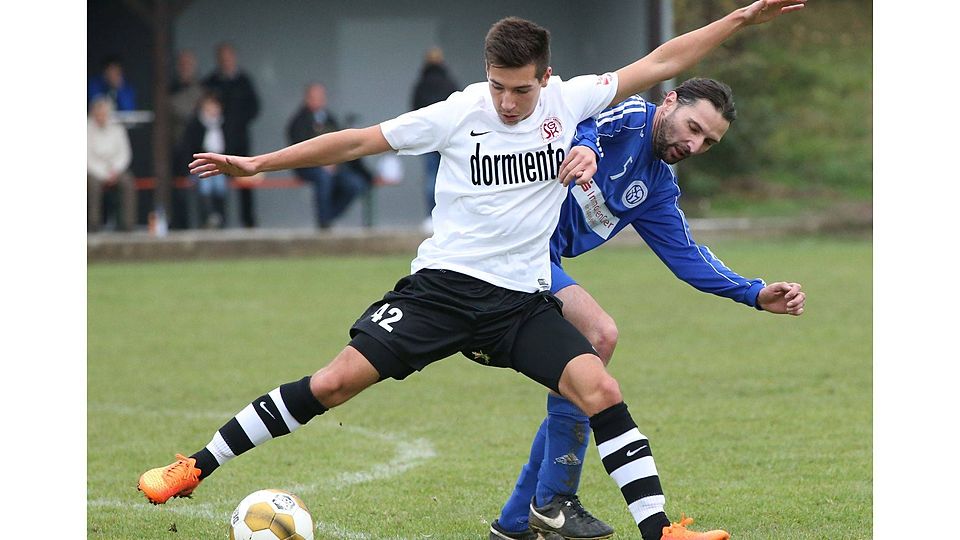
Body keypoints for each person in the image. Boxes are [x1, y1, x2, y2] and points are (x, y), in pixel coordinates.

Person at [138, 3, 805, 540]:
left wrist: (741, 17)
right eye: (498, 86)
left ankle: (658, 532)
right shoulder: (460, 112)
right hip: (444, 290)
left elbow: (665, 60)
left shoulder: (571, 103)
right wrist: (259, 164)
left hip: (521, 301)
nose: (508, 103)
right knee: (335, 383)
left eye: (521, 89)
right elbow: (358, 141)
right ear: (486, 75)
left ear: (545, 79)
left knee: (599, 385)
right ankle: (195, 466)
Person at [490, 79, 807, 540]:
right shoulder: (633, 117)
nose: (694, 145)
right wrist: (585, 148)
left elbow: (686, 254)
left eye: (707, 142)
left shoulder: (657, 184)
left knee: (584, 374)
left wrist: (754, 293)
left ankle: (522, 517)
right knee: (599, 337)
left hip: (538, 260)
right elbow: (585, 117)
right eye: (693, 127)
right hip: (506, 246)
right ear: (671, 102)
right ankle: (553, 501)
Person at [286, 83, 370, 229]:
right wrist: (321, 163)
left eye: (321, 97)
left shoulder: (330, 118)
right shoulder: (298, 121)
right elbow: (299, 149)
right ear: (307, 98)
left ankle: (329, 216)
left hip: (334, 165)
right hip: (309, 166)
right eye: (315, 97)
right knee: (323, 179)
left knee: (355, 183)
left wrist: (335, 162)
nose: (319, 100)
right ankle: (323, 224)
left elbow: (340, 143)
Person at [203, 42, 260, 228]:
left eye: (229, 57)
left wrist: (239, 121)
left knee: (247, 177)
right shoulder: (211, 82)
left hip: (241, 139)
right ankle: (220, 221)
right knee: (218, 180)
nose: (226, 61)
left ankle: (248, 221)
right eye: (223, 57)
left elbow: (255, 107)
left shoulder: (244, 81)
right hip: (220, 141)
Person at [410, 46, 460, 233]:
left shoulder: (420, 85)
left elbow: (415, 112)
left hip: (429, 139)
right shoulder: (450, 83)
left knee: (431, 177)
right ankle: (449, 216)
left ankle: (430, 217)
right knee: (452, 177)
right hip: (450, 139)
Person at [179, 92, 230, 228]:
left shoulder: (225, 124)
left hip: (222, 166)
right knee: (206, 184)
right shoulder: (195, 125)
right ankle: (208, 217)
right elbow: (187, 149)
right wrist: (188, 170)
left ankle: (220, 219)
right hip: (201, 165)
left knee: (220, 186)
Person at [87, 96, 137, 232]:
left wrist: (114, 171)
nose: (101, 116)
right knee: (92, 184)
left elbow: (125, 154)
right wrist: (103, 173)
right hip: (94, 171)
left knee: (127, 181)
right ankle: (93, 225)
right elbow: (87, 158)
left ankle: (127, 225)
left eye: (104, 113)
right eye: (98, 113)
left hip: (115, 169)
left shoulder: (117, 129)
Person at [169, 49, 206, 229]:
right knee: (179, 187)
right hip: (178, 148)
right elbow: (175, 109)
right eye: (182, 65)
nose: (185, 68)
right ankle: (180, 224)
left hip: (198, 147)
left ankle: (206, 223)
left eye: (188, 64)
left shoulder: (201, 89)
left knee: (207, 185)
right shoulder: (170, 88)